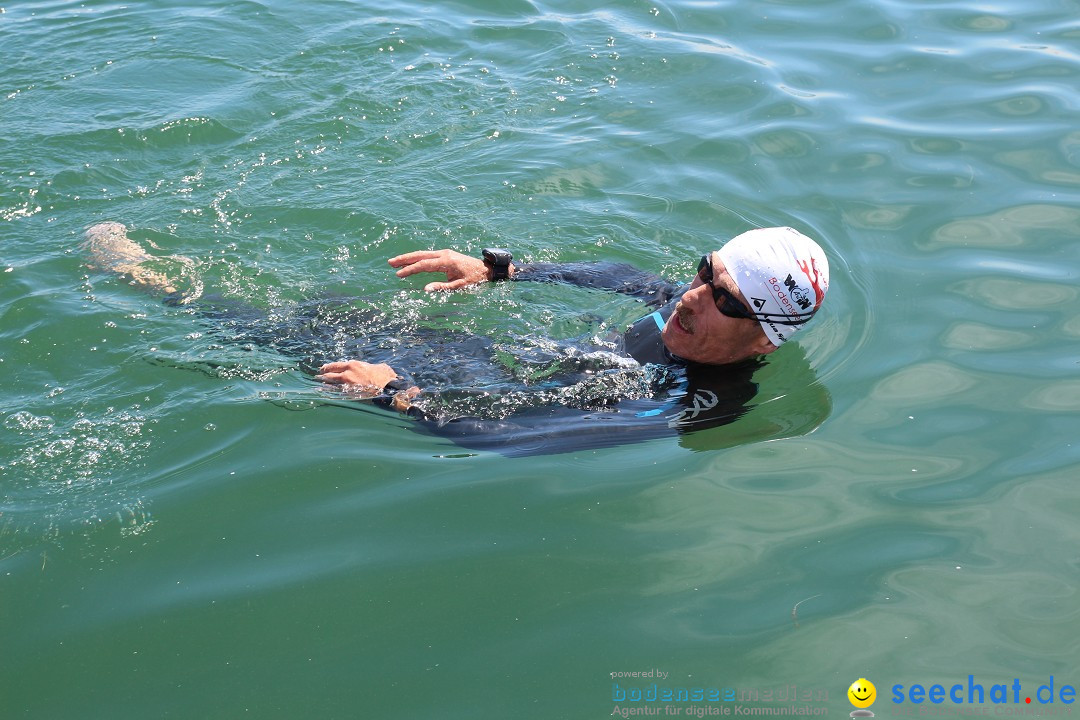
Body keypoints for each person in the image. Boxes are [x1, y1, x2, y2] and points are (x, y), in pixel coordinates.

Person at [84, 223, 830, 456]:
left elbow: (523, 433)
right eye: (706, 270)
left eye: (724, 298)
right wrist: (503, 270)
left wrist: (398, 395)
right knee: (331, 305)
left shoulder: (689, 403)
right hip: (499, 357)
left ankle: (158, 284)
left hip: (494, 393)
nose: (693, 294)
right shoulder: (681, 301)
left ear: (764, 341)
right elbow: (613, 273)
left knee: (302, 347)